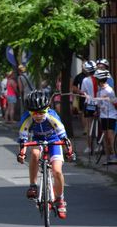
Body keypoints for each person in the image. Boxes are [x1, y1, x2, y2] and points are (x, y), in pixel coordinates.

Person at [17, 90, 74, 218]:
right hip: (37, 140)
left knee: (57, 171)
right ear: (29, 112)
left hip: (54, 140)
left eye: (41, 112)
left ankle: (60, 199)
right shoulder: (26, 117)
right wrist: (22, 153)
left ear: (47, 108)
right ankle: (33, 186)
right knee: (35, 154)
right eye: (34, 113)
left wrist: (69, 151)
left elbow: (64, 137)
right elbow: (23, 139)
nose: (38, 116)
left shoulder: (52, 116)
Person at [94, 69, 117, 164]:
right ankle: (108, 157)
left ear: (99, 80)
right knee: (105, 137)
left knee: (110, 136)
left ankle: (114, 156)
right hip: (103, 116)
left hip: (111, 115)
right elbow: (98, 104)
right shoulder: (99, 92)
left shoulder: (109, 90)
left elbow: (115, 102)